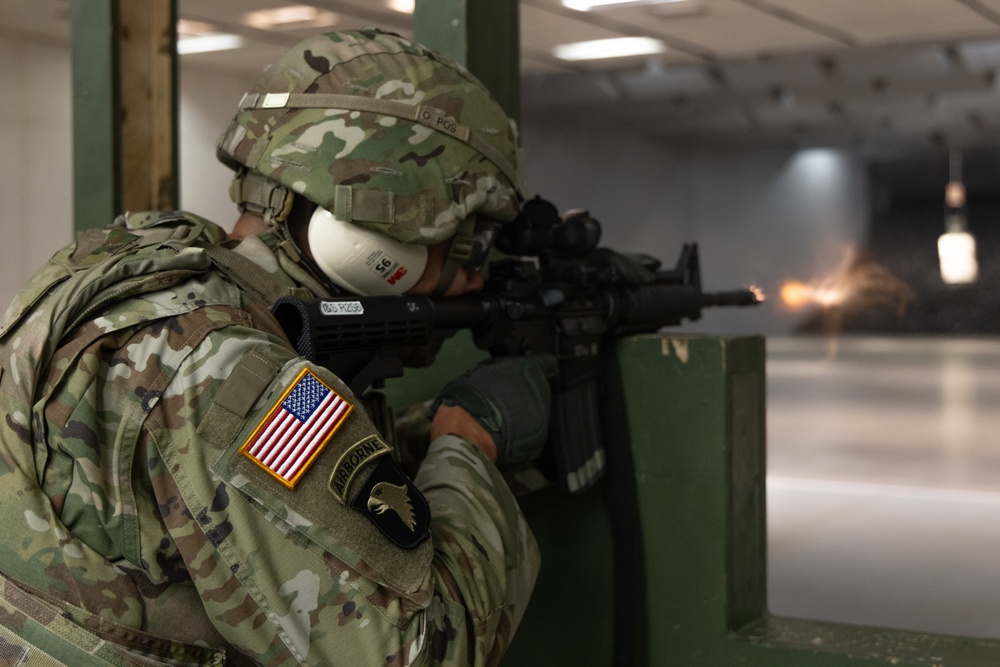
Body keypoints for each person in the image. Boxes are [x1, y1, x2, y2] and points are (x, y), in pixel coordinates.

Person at [0, 28, 548, 666]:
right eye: (469, 243)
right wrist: (467, 448)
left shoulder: (160, 288)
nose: (476, 276)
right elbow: (423, 651)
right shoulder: (239, 372)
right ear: (386, 242)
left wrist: (416, 434)